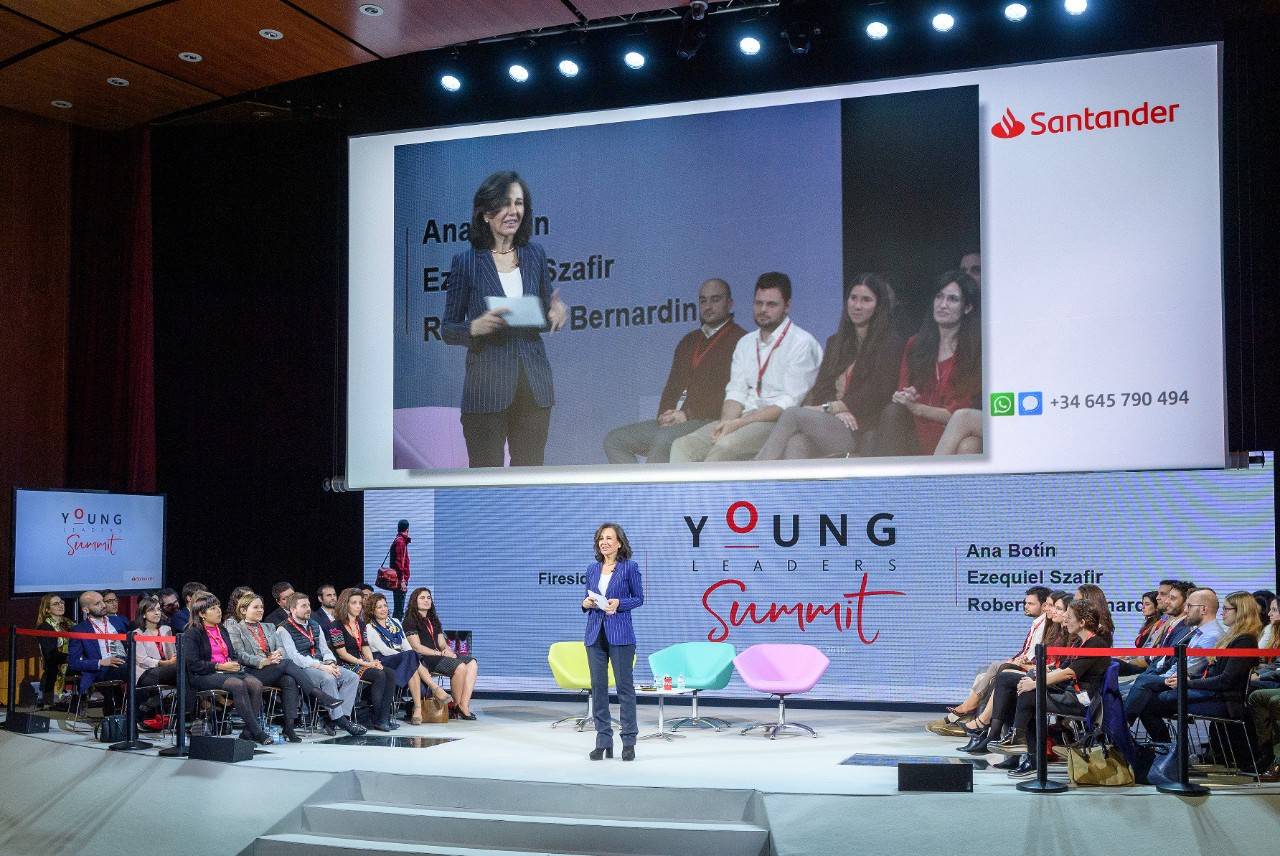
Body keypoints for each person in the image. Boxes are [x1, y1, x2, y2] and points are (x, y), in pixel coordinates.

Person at [441, 170, 568, 468]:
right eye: (504, 204)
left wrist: (556, 314)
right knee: (486, 481)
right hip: (486, 390)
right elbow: (447, 329)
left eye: (518, 203)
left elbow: (542, 312)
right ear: (486, 213)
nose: (513, 211)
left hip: (533, 388)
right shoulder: (466, 263)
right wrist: (474, 327)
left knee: (530, 478)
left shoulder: (535, 255)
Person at [670, 273, 822, 462]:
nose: (763, 310)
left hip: (778, 423)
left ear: (787, 306)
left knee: (725, 447)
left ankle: (710, 483)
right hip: (741, 419)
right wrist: (727, 422)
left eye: (771, 304)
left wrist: (739, 423)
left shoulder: (802, 343)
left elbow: (789, 404)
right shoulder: (746, 343)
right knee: (683, 445)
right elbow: (736, 392)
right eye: (759, 303)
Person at [756, 273, 903, 460]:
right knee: (797, 443)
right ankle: (784, 479)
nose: (857, 306)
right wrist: (836, 411)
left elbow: (877, 392)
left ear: (878, 306)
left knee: (792, 414)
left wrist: (836, 407)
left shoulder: (890, 343)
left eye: (866, 300)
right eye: (853, 298)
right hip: (833, 422)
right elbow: (822, 388)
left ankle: (757, 469)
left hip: (861, 427)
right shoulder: (835, 342)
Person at [604, 278, 746, 464]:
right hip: (677, 420)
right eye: (703, 301)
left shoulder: (741, 341)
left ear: (729, 303)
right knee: (615, 440)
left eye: (715, 299)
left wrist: (687, 415)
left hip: (709, 421)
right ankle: (637, 484)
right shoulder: (689, 341)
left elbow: (732, 396)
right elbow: (672, 387)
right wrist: (665, 415)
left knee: (664, 440)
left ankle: (653, 484)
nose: (708, 306)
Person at [996, 599, 1113, 778]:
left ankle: (1022, 744)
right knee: (1007, 678)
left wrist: (1035, 684)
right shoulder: (1079, 642)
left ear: (1082, 622)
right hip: (1065, 691)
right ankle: (999, 734)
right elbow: (1062, 668)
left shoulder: (1095, 644)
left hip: (1078, 700)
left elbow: (1068, 673)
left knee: (1030, 695)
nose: (1065, 619)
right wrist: (1034, 677)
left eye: (1069, 616)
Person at [873, 271, 981, 456]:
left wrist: (919, 408)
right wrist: (908, 395)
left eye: (952, 299)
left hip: (953, 429)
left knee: (969, 445)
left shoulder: (975, 350)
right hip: (919, 429)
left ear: (967, 307)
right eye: (939, 297)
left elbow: (960, 412)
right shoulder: (915, 344)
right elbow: (902, 391)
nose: (942, 305)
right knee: (894, 412)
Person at [228, 592, 341, 743]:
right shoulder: (236, 629)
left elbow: (280, 647)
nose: (261, 610)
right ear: (243, 610)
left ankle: (289, 728)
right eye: (256, 607)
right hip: (251, 671)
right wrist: (265, 661)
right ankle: (318, 694)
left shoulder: (268, 626)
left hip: (274, 667)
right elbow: (240, 655)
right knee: (287, 663)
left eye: (262, 607)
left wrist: (277, 654)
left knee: (289, 680)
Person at [581, 523, 644, 761]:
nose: (604, 542)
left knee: (624, 689)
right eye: (601, 538)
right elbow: (588, 597)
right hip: (595, 634)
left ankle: (628, 741)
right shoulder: (592, 569)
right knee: (598, 688)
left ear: (619, 543)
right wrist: (585, 603)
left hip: (620, 634)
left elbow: (639, 598)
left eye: (609, 538)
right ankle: (603, 740)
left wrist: (620, 603)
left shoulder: (629, 567)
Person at [1127, 585, 1222, 741]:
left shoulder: (1211, 635)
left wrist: (1166, 678)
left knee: (1145, 690)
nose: (1186, 610)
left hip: (1192, 685)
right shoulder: (1199, 632)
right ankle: (1159, 745)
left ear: (1203, 609)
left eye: (1190, 606)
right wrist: (1166, 676)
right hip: (1179, 679)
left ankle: (1124, 730)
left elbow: (1192, 669)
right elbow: (1182, 663)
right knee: (1144, 689)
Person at [182, 593, 273, 745]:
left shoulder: (222, 629)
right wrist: (219, 666)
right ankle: (257, 732)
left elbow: (232, 654)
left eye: (218, 606)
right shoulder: (192, 632)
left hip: (227, 671)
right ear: (202, 614)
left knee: (256, 684)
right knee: (237, 684)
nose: (219, 610)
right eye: (213, 608)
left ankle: (247, 733)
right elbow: (193, 664)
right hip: (204, 674)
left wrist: (233, 663)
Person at [275, 592, 366, 736]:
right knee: (328, 678)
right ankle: (341, 721)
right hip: (302, 668)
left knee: (352, 677)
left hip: (323, 664)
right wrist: (321, 666)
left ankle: (337, 719)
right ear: (293, 609)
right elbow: (294, 657)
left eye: (309, 605)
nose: (308, 609)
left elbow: (325, 649)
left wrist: (330, 662)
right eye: (303, 606)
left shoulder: (314, 624)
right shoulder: (283, 629)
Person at [365, 591, 451, 725]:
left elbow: (406, 644)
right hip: (384, 660)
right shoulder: (369, 627)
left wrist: (407, 655)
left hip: (403, 658)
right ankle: (435, 688)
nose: (383, 609)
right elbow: (384, 650)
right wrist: (405, 655)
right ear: (372, 610)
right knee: (411, 657)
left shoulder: (395, 622)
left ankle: (417, 709)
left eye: (385, 605)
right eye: (379, 607)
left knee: (412, 660)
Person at [328, 587, 399, 732]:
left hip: (362, 663)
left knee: (390, 673)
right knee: (379, 675)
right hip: (346, 665)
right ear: (345, 604)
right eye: (354, 603)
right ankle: (377, 719)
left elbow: (365, 646)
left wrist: (373, 662)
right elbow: (342, 654)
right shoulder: (336, 626)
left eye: (360, 603)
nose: (358, 606)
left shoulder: (360, 624)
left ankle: (384, 718)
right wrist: (366, 663)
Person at [403, 587, 479, 719]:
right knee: (460, 667)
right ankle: (455, 705)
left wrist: (448, 651)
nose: (426, 600)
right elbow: (416, 647)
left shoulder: (433, 620)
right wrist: (439, 654)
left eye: (428, 598)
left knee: (472, 662)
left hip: (438, 655)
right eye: (422, 598)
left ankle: (463, 705)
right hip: (424, 658)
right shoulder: (410, 621)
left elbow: (442, 643)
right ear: (414, 601)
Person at [66, 591, 130, 715]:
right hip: (101, 669)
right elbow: (73, 663)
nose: (103, 605)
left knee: (142, 668)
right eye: (97, 603)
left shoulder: (118, 622)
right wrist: (101, 662)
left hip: (124, 661)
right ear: (86, 609)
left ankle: (143, 710)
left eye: (102, 601)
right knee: (132, 670)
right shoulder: (79, 630)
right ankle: (136, 712)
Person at [132, 595, 177, 727]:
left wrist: (174, 659)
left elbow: (172, 652)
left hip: (167, 670)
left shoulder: (166, 630)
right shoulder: (137, 633)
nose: (157, 613)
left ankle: (158, 704)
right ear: (143, 614)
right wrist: (165, 663)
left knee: (187, 674)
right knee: (182, 672)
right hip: (146, 673)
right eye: (152, 610)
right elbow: (142, 660)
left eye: (158, 609)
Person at [34, 593, 71, 705]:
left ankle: (83, 697)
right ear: (47, 610)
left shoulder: (69, 623)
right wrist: (72, 658)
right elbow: (50, 655)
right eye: (56, 604)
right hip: (56, 665)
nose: (61, 605)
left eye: (61, 602)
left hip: (70, 661)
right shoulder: (45, 627)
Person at [389, 520, 412, 619]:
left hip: (399, 579)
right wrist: (402, 580)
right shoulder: (400, 542)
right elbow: (399, 563)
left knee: (398, 608)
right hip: (400, 580)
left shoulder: (399, 540)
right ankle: (396, 628)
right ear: (407, 529)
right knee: (399, 610)